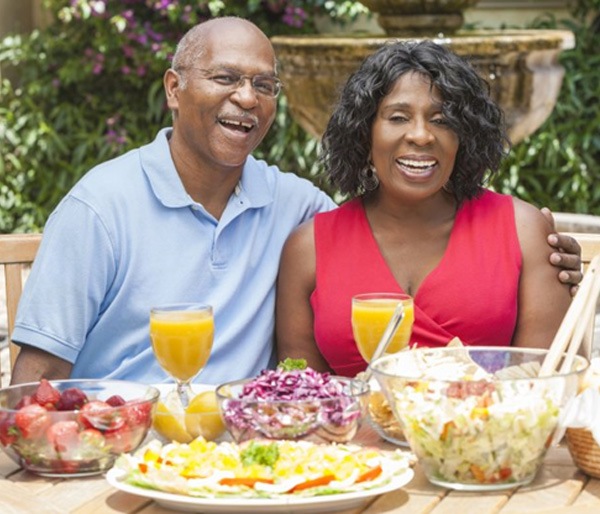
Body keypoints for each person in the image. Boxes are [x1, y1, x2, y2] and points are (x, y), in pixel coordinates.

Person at [10, 20, 581, 386]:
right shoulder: (100, 207)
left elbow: (544, 381)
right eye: (225, 77)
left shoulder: (292, 206)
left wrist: (552, 254)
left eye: (263, 85)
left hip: (255, 446)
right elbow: (34, 380)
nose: (245, 97)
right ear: (173, 89)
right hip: (122, 443)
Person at [275, 40, 575, 377]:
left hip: (491, 427)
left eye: (442, 119)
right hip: (350, 430)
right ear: (364, 133)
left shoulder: (522, 230)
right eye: (398, 117)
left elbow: (548, 383)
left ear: (464, 136)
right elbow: (302, 397)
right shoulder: (308, 249)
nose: (421, 135)